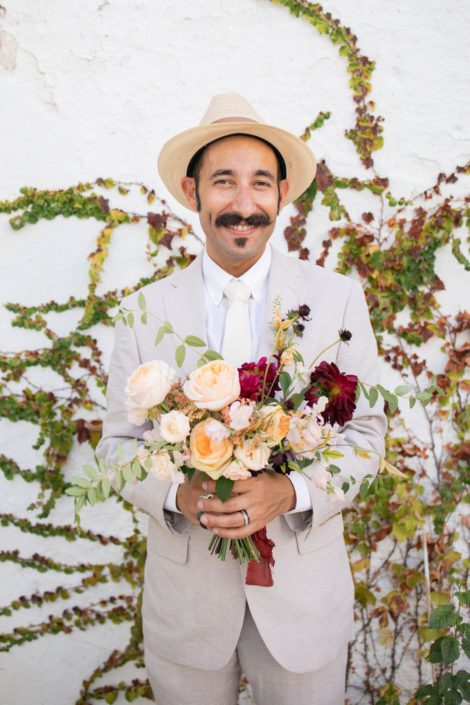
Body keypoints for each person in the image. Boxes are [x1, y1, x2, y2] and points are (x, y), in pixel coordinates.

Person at [96, 93, 387, 705]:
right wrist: (178, 492)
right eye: (223, 181)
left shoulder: (336, 301)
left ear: (282, 195)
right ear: (192, 189)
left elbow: (365, 437)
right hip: (187, 609)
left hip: (303, 606)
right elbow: (117, 449)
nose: (243, 204)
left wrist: (292, 490)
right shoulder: (146, 309)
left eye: (260, 183)